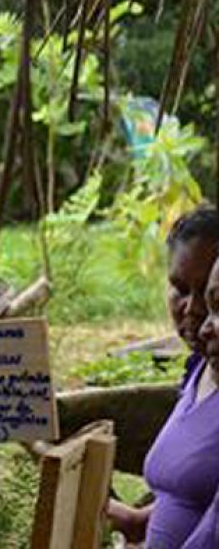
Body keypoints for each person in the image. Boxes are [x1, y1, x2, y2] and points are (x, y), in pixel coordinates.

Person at [108, 207, 219, 547]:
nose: (194, 311)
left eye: (212, 297)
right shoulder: (200, 369)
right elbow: (191, 495)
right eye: (180, 288)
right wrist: (137, 520)